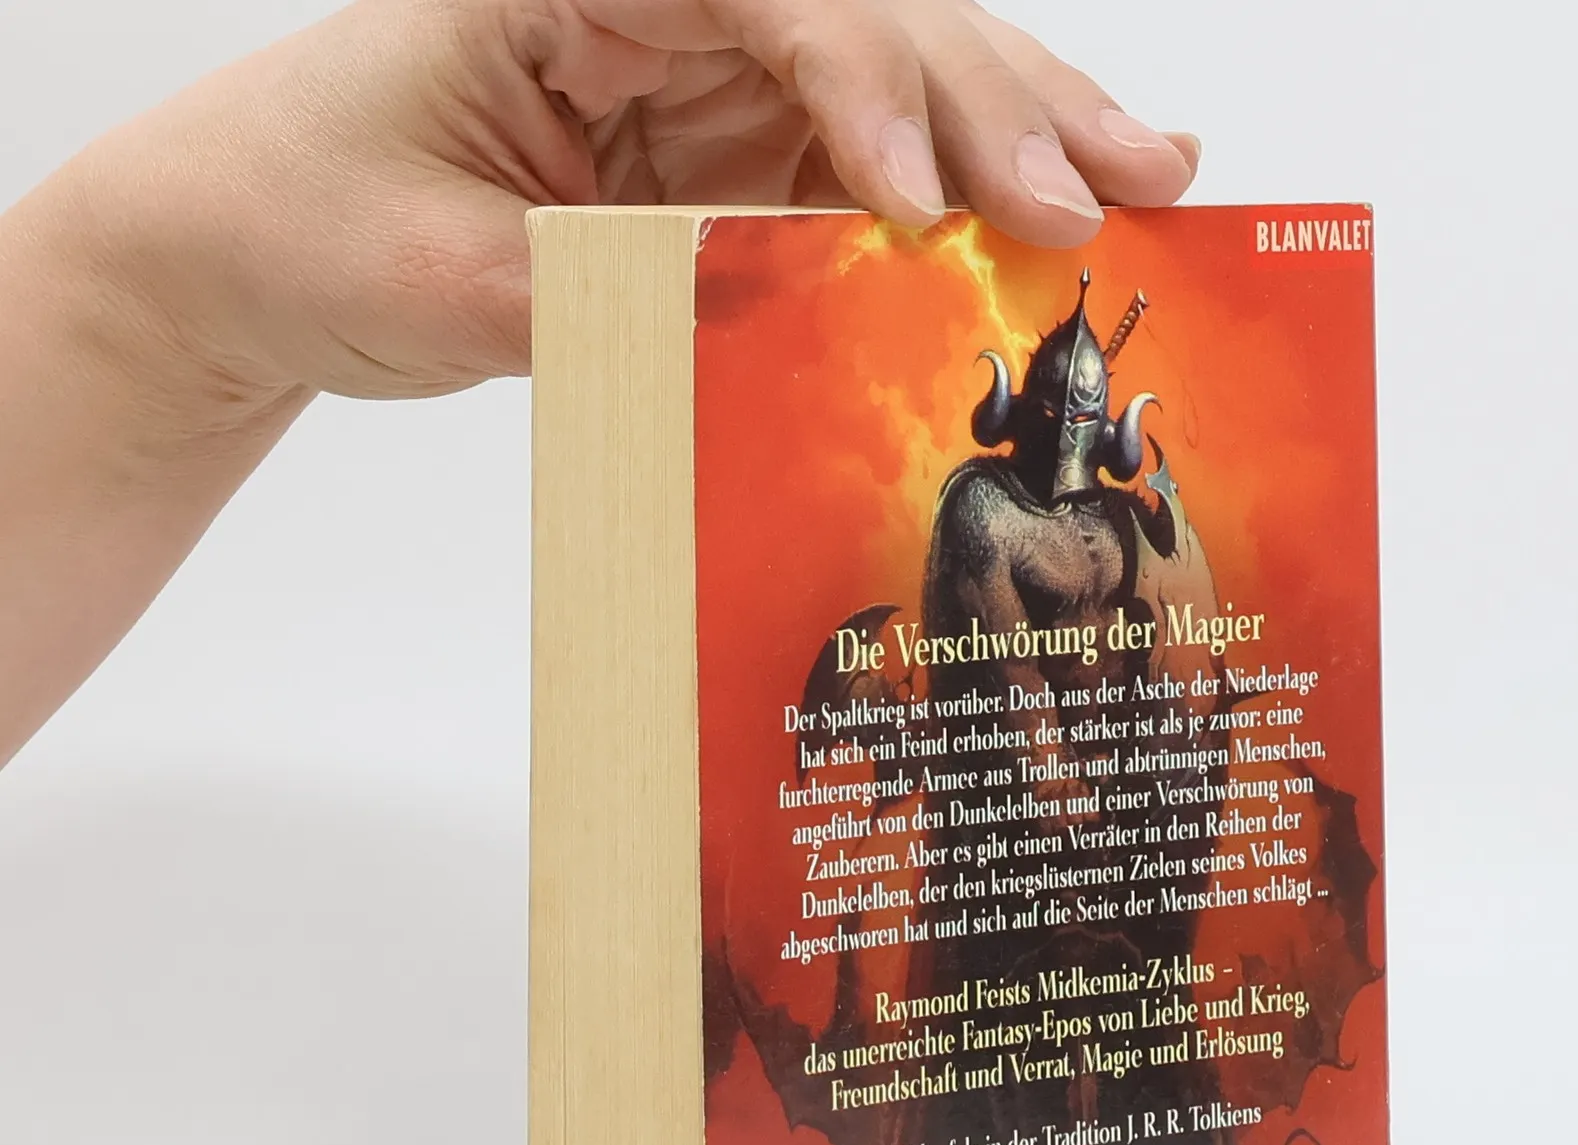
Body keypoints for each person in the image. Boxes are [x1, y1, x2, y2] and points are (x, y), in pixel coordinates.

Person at [0, 0, 1199, 771]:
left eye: (1089, 413)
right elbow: (1005, 686)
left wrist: (160, 310)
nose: (1076, 427)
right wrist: (157, 299)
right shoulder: (983, 509)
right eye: (1063, 406)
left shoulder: (1110, 520)